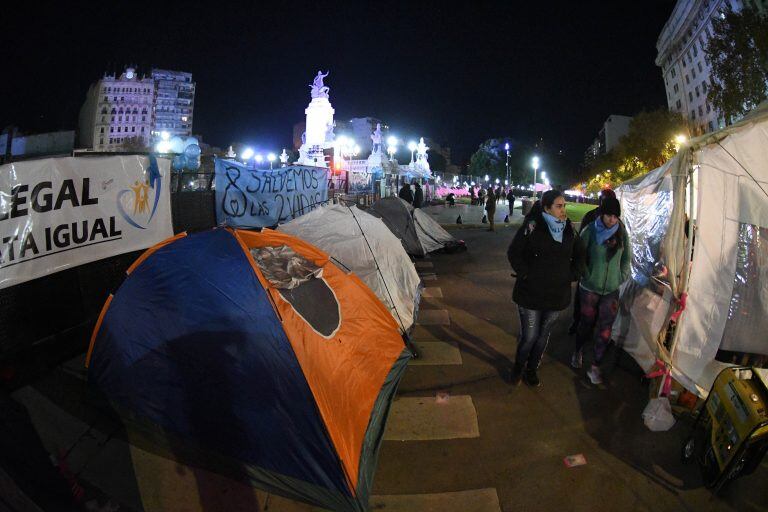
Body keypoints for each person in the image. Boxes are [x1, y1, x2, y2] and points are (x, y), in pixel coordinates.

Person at [507, 190, 584, 386]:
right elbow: (514, 252)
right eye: (559, 206)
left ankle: (532, 369)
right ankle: (518, 366)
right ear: (547, 208)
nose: (563, 210)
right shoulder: (533, 226)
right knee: (530, 336)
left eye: (564, 205)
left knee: (542, 337)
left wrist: (573, 274)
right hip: (530, 293)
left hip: (557, 295)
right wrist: (526, 273)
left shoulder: (569, 229)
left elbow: (580, 256)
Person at [572, 196, 630, 385]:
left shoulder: (621, 232)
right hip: (589, 288)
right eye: (609, 216)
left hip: (611, 290)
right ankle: (578, 350)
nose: (613, 220)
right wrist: (587, 274)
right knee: (586, 323)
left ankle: (596, 365)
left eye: (615, 216)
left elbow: (626, 257)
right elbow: (578, 255)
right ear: (602, 214)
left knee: (605, 329)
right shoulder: (590, 231)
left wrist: (621, 275)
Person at [568, 188, 617, 334]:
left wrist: (620, 272)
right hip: (589, 265)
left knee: (600, 302)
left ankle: (591, 327)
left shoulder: (616, 220)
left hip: (606, 269)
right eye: (603, 200)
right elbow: (580, 243)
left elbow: (624, 248)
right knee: (581, 298)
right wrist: (583, 267)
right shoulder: (591, 216)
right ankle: (577, 321)